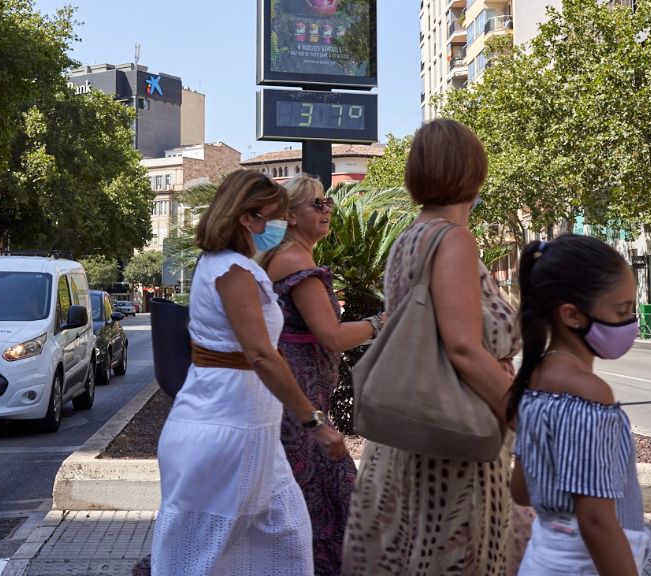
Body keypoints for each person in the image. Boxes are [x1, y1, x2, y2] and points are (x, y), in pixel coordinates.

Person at [342, 118, 523, 575]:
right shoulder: (453, 240)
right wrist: (525, 417)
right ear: (473, 171)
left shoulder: (408, 240)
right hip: (454, 447)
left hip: (412, 434)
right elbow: (463, 348)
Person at [148, 169, 347, 576]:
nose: (281, 224)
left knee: (286, 542)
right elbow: (260, 354)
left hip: (251, 429)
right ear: (246, 218)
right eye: (273, 216)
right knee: (199, 557)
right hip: (225, 432)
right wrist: (315, 422)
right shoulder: (232, 271)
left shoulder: (230, 265)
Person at [260, 174, 383, 576]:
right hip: (300, 406)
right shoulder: (296, 262)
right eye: (316, 204)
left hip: (297, 401)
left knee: (311, 508)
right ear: (291, 216)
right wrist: (380, 323)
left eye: (327, 202)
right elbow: (331, 335)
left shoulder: (288, 257)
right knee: (336, 504)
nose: (327, 209)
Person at [508, 235, 650, 574]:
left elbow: (522, 490)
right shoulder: (590, 392)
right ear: (572, 315)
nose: (631, 321)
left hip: (543, 557)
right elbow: (597, 520)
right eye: (622, 310)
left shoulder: (535, 381)